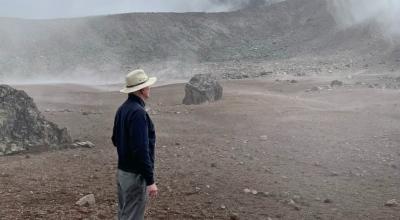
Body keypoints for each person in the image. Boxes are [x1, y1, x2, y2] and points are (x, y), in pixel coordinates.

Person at [112, 69, 158, 220]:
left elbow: (115, 139)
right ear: (141, 89)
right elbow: (141, 149)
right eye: (147, 86)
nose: (149, 88)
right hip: (134, 176)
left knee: (124, 213)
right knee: (133, 216)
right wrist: (150, 180)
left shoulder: (122, 109)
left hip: (122, 173)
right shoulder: (138, 112)